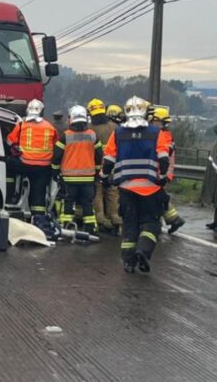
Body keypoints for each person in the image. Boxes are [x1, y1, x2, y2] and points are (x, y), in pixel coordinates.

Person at [102, 96, 171, 274]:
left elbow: (108, 160)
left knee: (130, 224)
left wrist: (104, 176)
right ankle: (143, 251)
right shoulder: (156, 133)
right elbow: (164, 159)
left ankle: (128, 262)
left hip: (126, 188)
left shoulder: (117, 133)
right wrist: (163, 176)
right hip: (150, 187)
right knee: (151, 223)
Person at [52, 105, 102, 234]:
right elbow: (99, 155)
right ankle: (90, 228)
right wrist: (96, 172)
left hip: (69, 178)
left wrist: (55, 172)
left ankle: (67, 226)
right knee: (87, 203)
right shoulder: (92, 135)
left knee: (68, 202)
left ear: (71, 119)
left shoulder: (65, 136)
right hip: (88, 178)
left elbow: (57, 156)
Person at [7, 99, 57, 218]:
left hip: (24, 164)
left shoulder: (21, 125)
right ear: (42, 112)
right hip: (44, 167)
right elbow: (56, 146)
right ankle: (38, 216)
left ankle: (11, 193)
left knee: (7, 165)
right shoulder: (50, 127)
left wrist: (16, 148)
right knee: (38, 191)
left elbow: (9, 141)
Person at [87, 98, 121, 234]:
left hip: (95, 167)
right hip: (113, 166)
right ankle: (115, 219)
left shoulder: (90, 130)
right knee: (113, 193)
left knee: (97, 193)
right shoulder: (115, 127)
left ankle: (100, 220)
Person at [149, 107, 186, 234]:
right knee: (159, 197)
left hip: (160, 172)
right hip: (162, 172)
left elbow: (161, 155)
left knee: (156, 197)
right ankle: (173, 219)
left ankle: (163, 222)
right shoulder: (166, 134)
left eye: (153, 121)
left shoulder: (163, 135)